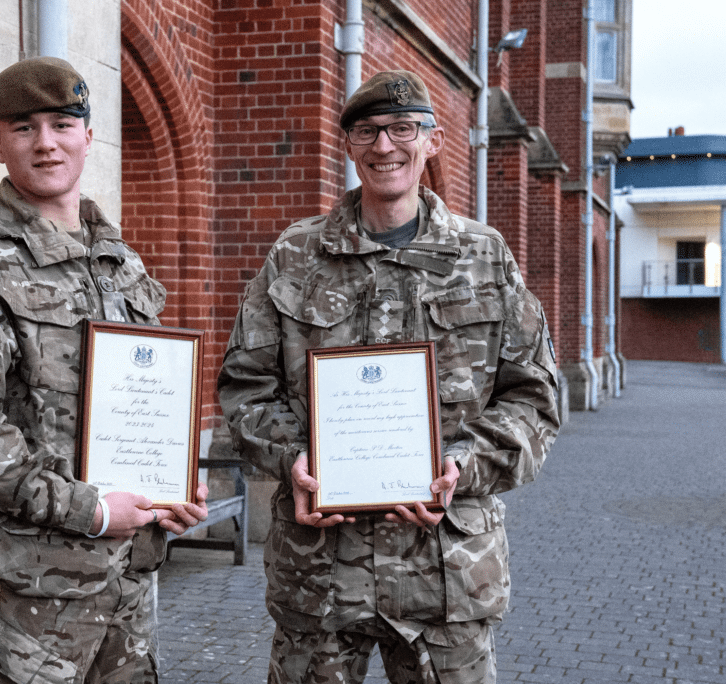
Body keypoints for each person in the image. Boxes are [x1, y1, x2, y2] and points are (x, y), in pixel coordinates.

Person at [217, 69, 560, 684]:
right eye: (368, 131)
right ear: (346, 145)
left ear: (432, 141)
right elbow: (245, 387)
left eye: (403, 129)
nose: (384, 146)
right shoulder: (295, 255)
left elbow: (534, 398)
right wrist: (292, 457)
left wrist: (463, 463)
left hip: (448, 577)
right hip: (319, 577)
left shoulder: (484, 257)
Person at [0, 56, 208, 684]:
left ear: (87, 134)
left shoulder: (121, 266)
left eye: (61, 123)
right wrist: (91, 511)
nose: (45, 143)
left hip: (128, 588)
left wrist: (171, 489)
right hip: (32, 598)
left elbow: (148, 403)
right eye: (23, 128)